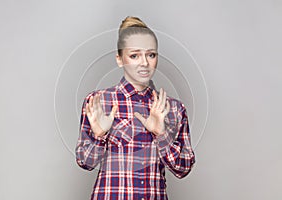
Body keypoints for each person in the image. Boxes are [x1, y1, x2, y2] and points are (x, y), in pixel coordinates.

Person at [75, 16, 196, 200]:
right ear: (119, 59)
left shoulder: (174, 109)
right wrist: (99, 136)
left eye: (151, 54)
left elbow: (183, 168)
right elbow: (85, 162)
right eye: (134, 55)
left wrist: (161, 134)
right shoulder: (99, 102)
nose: (144, 63)